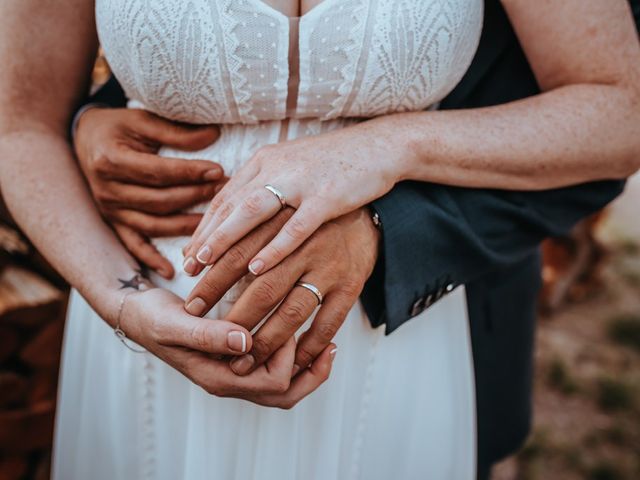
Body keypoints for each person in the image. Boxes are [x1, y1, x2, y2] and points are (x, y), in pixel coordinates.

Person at [0, 1, 638, 480]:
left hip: (392, 340)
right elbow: (19, 123)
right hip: (146, 328)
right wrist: (122, 299)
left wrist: (388, 148)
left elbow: (621, 106)